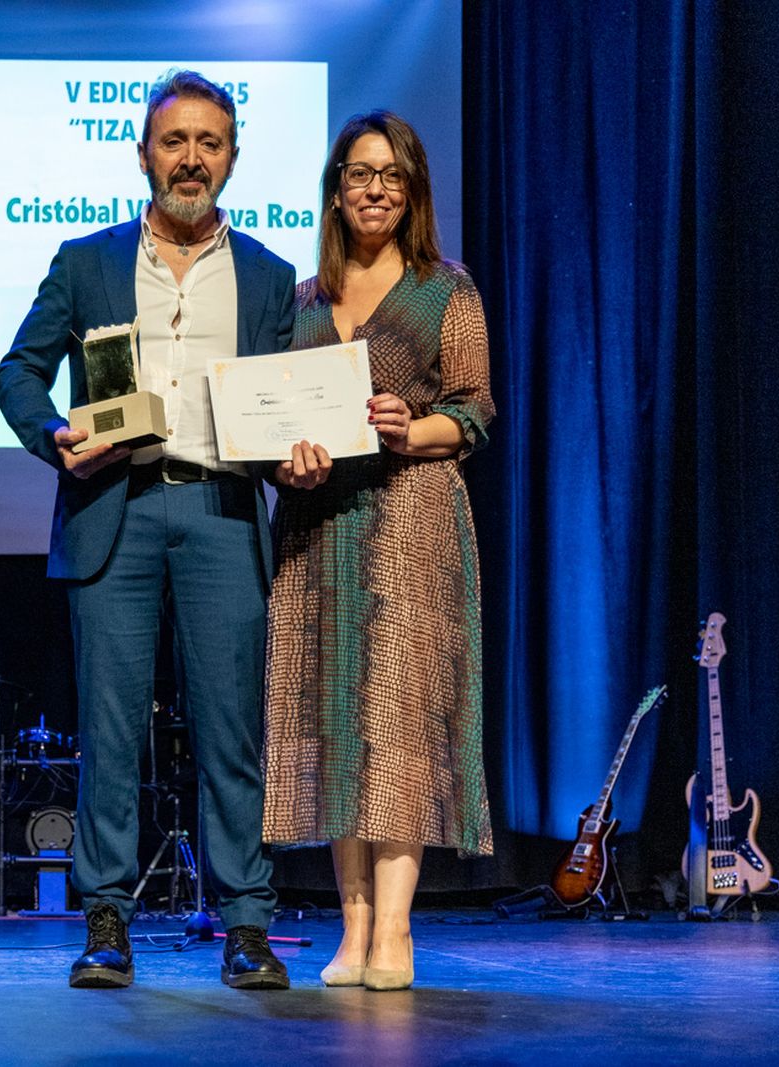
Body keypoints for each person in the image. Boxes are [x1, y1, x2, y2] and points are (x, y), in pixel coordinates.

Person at [0, 70, 307, 990]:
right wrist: (56, 437)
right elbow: (17, 371)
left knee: (230, 731)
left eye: (211, 143)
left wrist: (303, 448)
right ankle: (105, 923)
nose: (193, 159)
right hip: (114, 513)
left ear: (234, 160)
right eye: (177, 142)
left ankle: (246, 923)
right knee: (112, 728)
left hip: (220, 511)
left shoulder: (267, 276)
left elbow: (286, 402)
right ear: (143, 155)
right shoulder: (85, 261)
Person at [260, 111, 495, 992]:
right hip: (321, 526)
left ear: (414, 191)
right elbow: (275, 417)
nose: (375, 189)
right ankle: (351, 927)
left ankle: (395, 928)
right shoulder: (302, 303)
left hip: (410, 517)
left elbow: (474, 410)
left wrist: (413, 426)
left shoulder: (447, 290)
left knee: (395, 724)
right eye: (360, 174)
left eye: (393, 175)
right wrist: (290, 457)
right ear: (335, 188)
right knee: (335, 724)